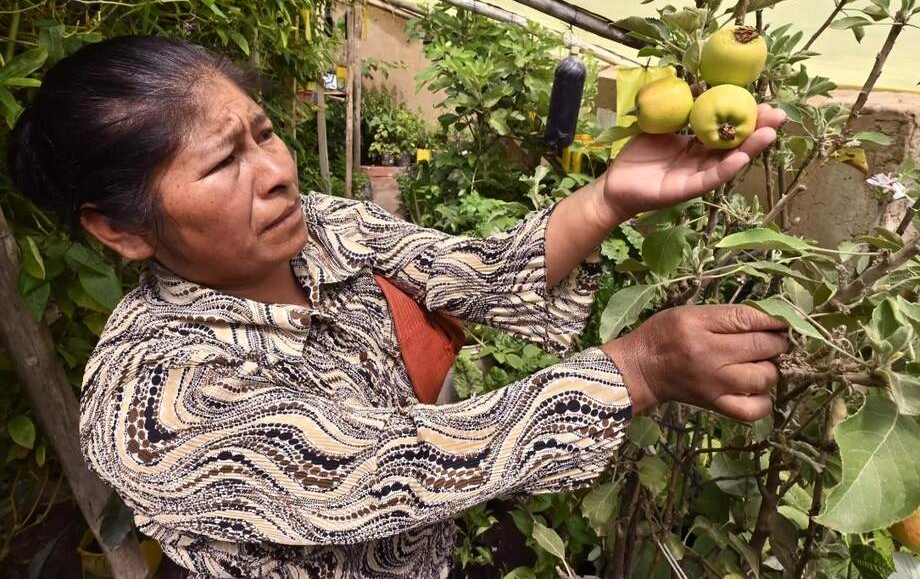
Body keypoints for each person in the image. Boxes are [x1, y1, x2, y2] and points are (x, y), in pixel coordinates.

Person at [6, 36, 789, 578]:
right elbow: (386, 464)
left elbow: (474, 273)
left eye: (264, 132)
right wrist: (637, 368)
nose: (276, 171)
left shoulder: (320, 227)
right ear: (119, 227)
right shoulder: (151, 400)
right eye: (222, 163)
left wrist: (612, 195)